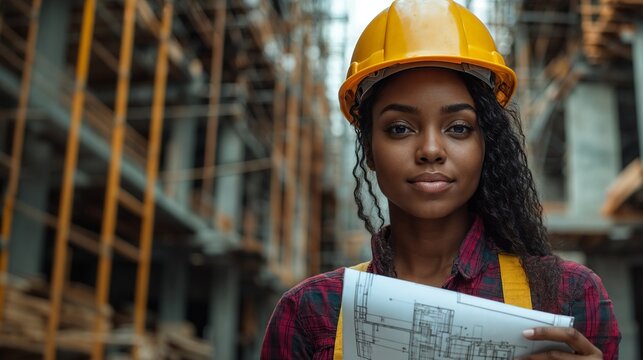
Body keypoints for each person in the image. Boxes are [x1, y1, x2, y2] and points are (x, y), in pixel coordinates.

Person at [261, 0, 621, 359]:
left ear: (486, 144)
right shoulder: (311, 313)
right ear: (369, 149)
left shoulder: (570, 294)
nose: (431, 149)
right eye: (400, 128)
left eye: (459, 128)